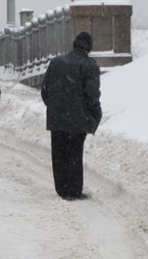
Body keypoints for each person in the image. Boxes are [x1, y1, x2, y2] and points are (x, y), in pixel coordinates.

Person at [40, 31, 102, 201]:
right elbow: (92, 95)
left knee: (59, 154)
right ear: (88, 48)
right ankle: (73, 191)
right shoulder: (89, 65)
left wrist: (55, 108)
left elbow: (45, 91)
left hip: (57, 119)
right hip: (78, 119)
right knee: (75, 153)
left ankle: (61, 189)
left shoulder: (56, 62)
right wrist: (95, 114)